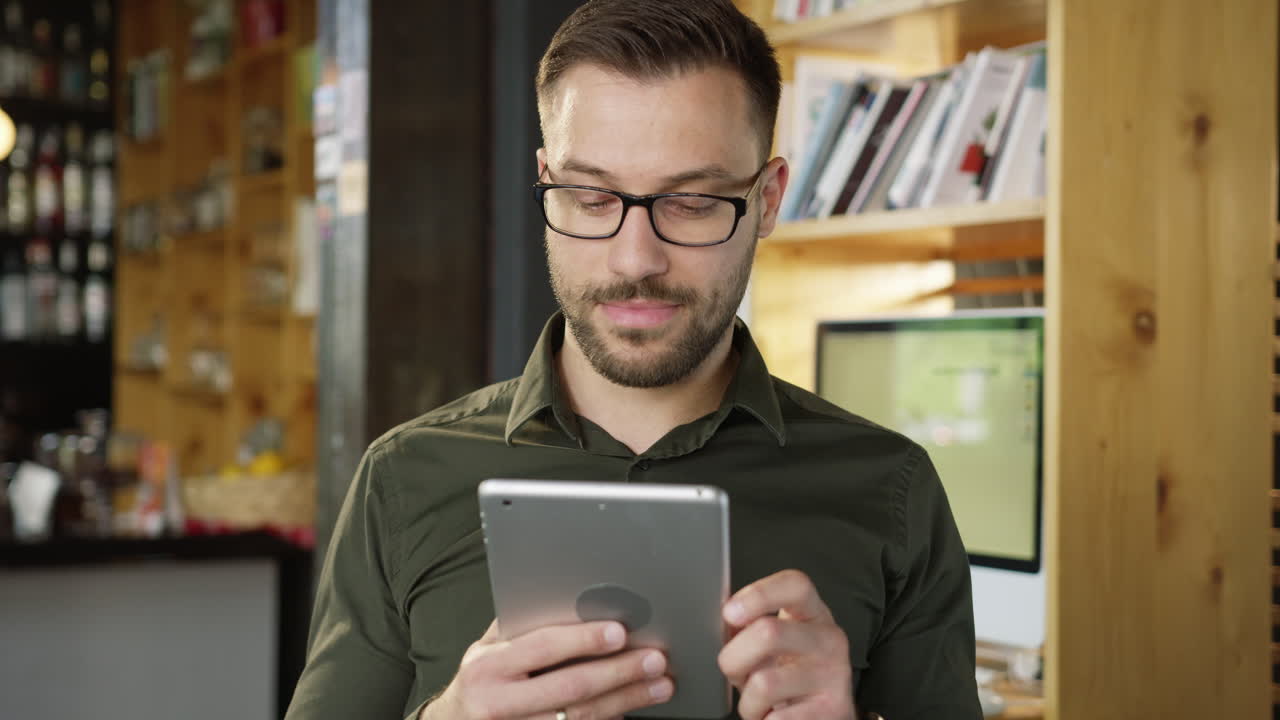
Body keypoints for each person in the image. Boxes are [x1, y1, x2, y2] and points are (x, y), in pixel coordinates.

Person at [284, 1, 980, 719]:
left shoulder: (892, 492)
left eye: (692, 201)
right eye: (590, 197)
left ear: (767, 199)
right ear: (547, 181)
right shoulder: (401, 480)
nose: (635, 259)